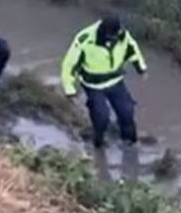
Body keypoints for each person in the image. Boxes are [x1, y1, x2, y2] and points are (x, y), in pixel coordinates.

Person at [60, 14, 147, 148]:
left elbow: (132, 50)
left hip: (116, 82)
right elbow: (69, 65)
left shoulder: (122, 35)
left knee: (127, 112)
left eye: (115, 36)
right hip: (94, 86)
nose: (114, 39)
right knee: (101, 117)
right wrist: (69, 89)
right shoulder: (85, 39)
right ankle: (98, 144)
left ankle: (131, 144)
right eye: (111, 37)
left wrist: (141, 69)